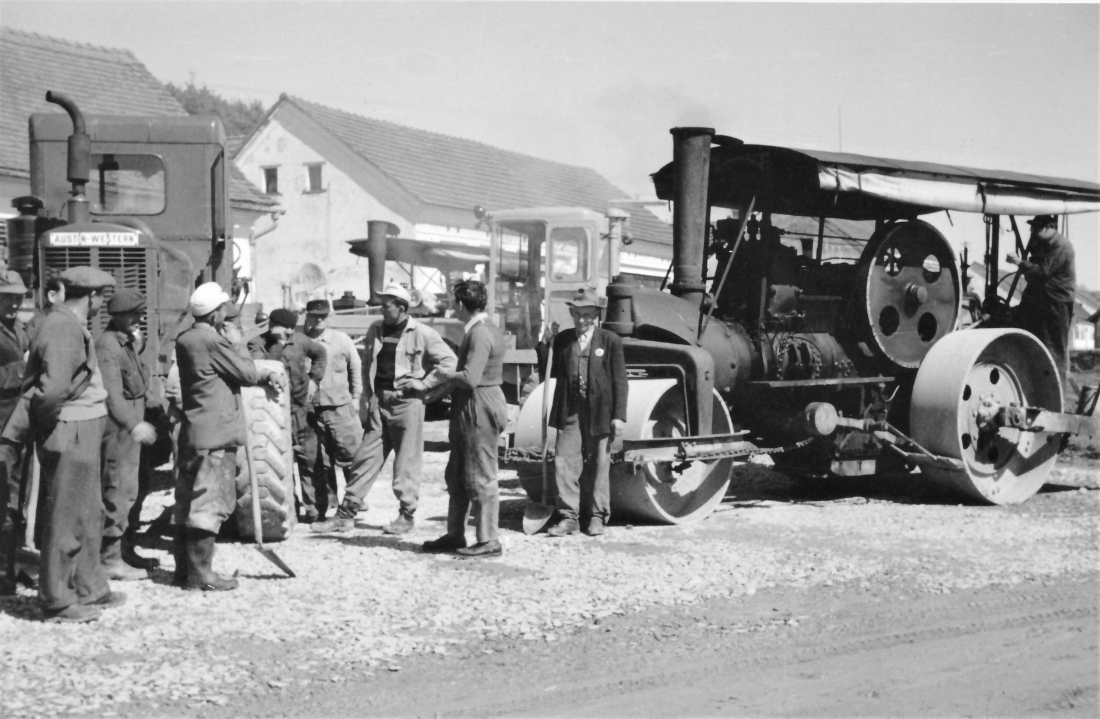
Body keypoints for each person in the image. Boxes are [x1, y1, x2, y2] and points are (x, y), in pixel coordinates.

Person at [19, 267, 123, 622]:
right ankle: (57, 600)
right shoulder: (63, 326)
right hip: (70, 427)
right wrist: (53, 428)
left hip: (81, 425)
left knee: (87, 511)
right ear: (92, 298)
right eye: (100, 298)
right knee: (66, 515)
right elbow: (51, 392)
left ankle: (89, 586)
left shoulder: (68, 323)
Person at [314, 285, 456, 534]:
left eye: (386, 304)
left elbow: (449, 362)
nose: (381, 308)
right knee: (364, 458)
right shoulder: (375, 330)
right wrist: (368, 398)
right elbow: (369, 364)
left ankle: (406, 515)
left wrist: (424, 385)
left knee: (406, 463)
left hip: (407, 404)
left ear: (401, 308)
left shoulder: (422, 333)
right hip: (380, 403)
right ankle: (346, 514)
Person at [174, 282, 284, 592]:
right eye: (223, 309)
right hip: (217, 435)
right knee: (210, 502)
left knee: (186, 501)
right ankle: (201, 576)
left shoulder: (186, 339)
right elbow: (246, 374)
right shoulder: (213, 341)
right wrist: (236, 343)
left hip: (194, 431)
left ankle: (184, 571)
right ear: (214, 314)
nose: (227, 313)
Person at [422, 280, 508, 558]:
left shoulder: (480, 333)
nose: (451, 307)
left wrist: (443, 374)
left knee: (481, 474)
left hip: (478, 405)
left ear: (461, 304)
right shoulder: (483, 328)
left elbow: (470, 378)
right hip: (473, 404)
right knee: (458, 474)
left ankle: (488, 539)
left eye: (452, 302)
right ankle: (455, 534)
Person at [541, 288, 627, 537]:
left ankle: (597, 517)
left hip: (600, 411)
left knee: (599, 463)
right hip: (570, 411)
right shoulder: (564, 339)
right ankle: (569, 517)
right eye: (578, 314)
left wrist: (619, 414)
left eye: (588, 315)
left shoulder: (610, 340)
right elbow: (548, 366)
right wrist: (546, 342)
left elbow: (620, 381)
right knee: (564, 461)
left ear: (596, 315)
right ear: (572, 313)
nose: (582, 320)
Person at [95, 289, 159, 581]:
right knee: (117, 492)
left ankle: (125, 550)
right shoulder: (108, 345)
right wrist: (134, 424)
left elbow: (140, 384)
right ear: (118, 316)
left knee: (133, 490)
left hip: (130, 430)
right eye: (135, 314)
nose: (140, 318)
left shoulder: (127, 342)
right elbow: (112, 394)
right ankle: (109, 559)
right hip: (119, 431)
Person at [247, 308, 328, 523]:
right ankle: (288, 509)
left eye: (292, 328)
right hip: (273, 414)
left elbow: (320, 354)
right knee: (279, 464)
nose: (289, 331)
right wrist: (278, 345)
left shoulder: (301, 341)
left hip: (302, 411)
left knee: (310, 461)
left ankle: (316, 511)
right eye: (285, 327)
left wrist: (314, 380)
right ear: (272, 325)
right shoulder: (257, 343)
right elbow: (259, 367)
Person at [303, 298, 363, 519]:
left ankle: (354, 500)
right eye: (314, 315)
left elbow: (355, 368)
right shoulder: (302, 343)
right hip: (312, 411)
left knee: (350, 456)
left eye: (323, 316)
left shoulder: (341, 340)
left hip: (340, 408)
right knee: (321, 460)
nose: (318, 320)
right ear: (306, 316)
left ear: (330, 316)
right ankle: (329, 501)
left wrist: (356, 397)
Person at [1006, 214, 1077, 389]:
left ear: (1046, 228)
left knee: (1054, 350)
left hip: (1056, 305)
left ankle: (1056, 392)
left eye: (1035, 228)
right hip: (1044, 303)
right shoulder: (1047, 246)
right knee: (1040, 346)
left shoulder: (1061, 246)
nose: (1032, 232)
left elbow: (1042, 273)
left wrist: (1019, 262)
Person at [0, 269, 29, 594]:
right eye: (7, 296)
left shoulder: (17, 328)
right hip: (1, 432)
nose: (13, 302)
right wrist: (24, 367)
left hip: (17, 428)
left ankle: (10, 565)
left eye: (18, 297)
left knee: (16, 503)